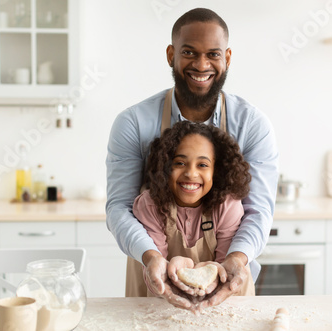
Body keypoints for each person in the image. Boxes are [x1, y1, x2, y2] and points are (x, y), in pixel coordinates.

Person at [106, 8, 279, 311]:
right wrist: (151, 258)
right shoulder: (133, 123)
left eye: (213, 54)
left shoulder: (252, 125)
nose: (201, 65)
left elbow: (258, 211)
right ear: (171, 54)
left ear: (227, 58)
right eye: (189, 52)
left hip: (230, 286)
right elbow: (119, 208)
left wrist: (236, 260)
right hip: (152, 282)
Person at [132, 121, 254, 301]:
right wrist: (169, 269)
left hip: (226, 300)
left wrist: (218, 272)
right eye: (180, 163)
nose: (191, 173)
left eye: (202, 165)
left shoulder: (227, 205)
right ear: (165, 167)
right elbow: (156, 264)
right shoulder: (150, 204)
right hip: (162, 299)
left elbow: (225, 266)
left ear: (216, 171)